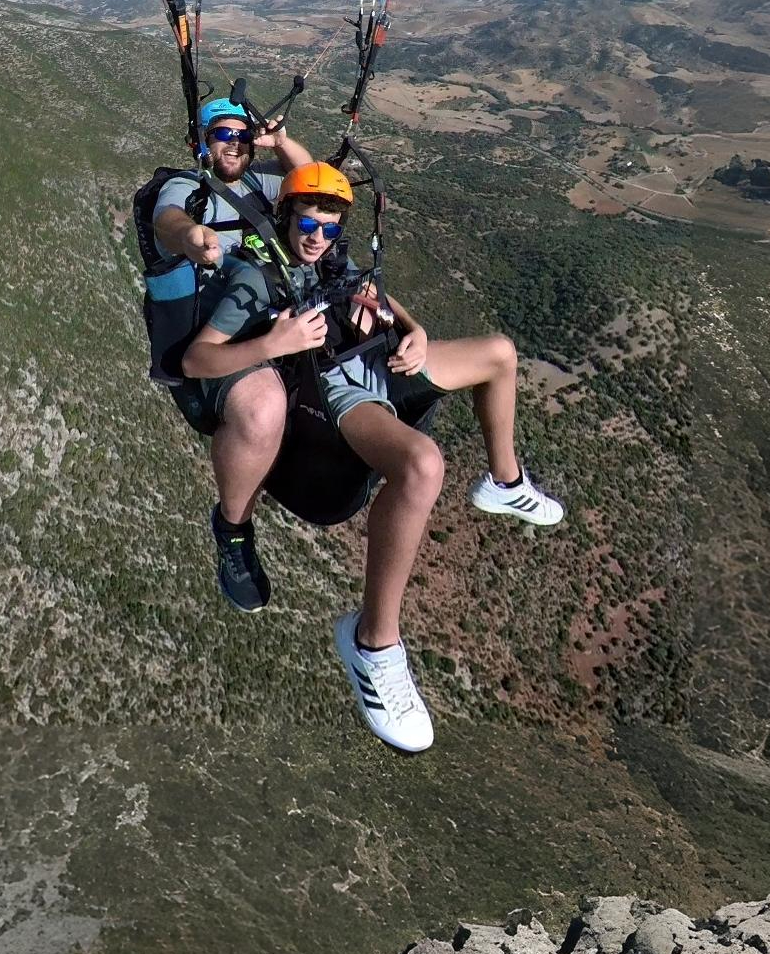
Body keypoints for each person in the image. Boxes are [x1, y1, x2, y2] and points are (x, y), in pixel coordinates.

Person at [183, 162, 564, 753]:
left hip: (381, 359)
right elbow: (195, 360)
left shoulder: (334, 261)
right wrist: (274, 344)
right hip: (339, 388)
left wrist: (414, 329)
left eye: (330, 228)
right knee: (422, 465)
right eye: (307, 225)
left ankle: (505, 481)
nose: (318, 238)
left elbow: (376, 293)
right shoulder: (257, 280)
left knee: (499, 353)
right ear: (285, 219)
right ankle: (373, 643)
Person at [150, 96, 314, 613]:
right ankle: (233, 530)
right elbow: (166, 219)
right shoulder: (189, 189)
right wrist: (191, 237)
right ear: (202, 142)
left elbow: (314, 183)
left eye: (242, 136)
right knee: (264, 406)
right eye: (223, 134)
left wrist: (281, 142)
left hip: (273, 313)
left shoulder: (262, 184)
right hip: (218, 335)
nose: (235, 145)